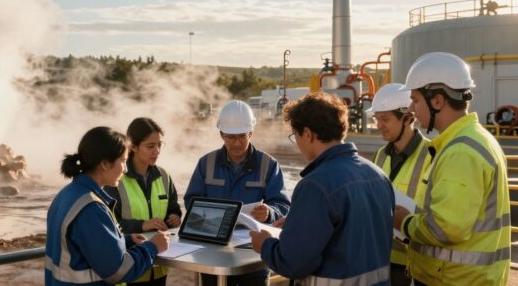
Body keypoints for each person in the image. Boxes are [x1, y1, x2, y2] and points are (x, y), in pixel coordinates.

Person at [251, 92, 395, 285]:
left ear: (308, 134)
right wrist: (299, 221)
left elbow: (293, 263)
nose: (297, 144)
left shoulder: (315, 185)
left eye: (296, 135)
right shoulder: (378, 175)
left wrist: (265, 244)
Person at [394, 52, 510, 285]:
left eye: (415, 100)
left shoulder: (461, 152)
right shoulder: (475, 138)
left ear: (437, 101)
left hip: (455, 279)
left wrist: (404, 222)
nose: (412, 109)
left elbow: (446, 229)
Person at [45, 126, 169, 285]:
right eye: (123, 161)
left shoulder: (67, 194)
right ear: (104, 163)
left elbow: (84, 243)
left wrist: (126, 240)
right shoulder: (91, 208)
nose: (125, 169)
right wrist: (153, 247)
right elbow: (119, 271)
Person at [185, 100, 290, 286]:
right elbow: (191, 202)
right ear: (221, 134)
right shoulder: (206, 163)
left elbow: (282, 205)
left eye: (242, 136)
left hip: (252, 253)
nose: (236, 143)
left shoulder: (268, 164)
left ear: (251, 133)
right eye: (230, 137)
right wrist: (213, 216)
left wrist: (269, 212)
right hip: (212, 250)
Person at [368, 83, 432, 286]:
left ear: (408, 118)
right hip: (379, 260)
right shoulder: (380, 155)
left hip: (412, 265)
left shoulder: (433, 155)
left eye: (384, 119)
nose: (378, 125)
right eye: (376, 118)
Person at [105, 117, 182, 286]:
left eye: (160, 145)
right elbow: (109, 227)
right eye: (150, 146)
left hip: (160, 266)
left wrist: (175, 217)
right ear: (132, 145)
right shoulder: (116, 179)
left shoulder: (164, 176)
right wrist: (142, 225)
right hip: (131, 268)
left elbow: (173, 206)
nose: (157, 151)